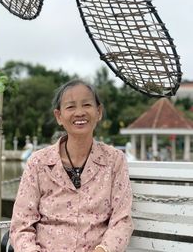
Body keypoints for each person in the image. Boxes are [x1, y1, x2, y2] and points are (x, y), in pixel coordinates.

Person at [10, 80, 133, 252]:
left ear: (99, 112)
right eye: (70, 107)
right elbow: (21, 223)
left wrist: (103, 250)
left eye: (87, 104)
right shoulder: (39, 163)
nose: (80, 112)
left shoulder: (114, 161)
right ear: (59, 116)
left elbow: (122, 220)